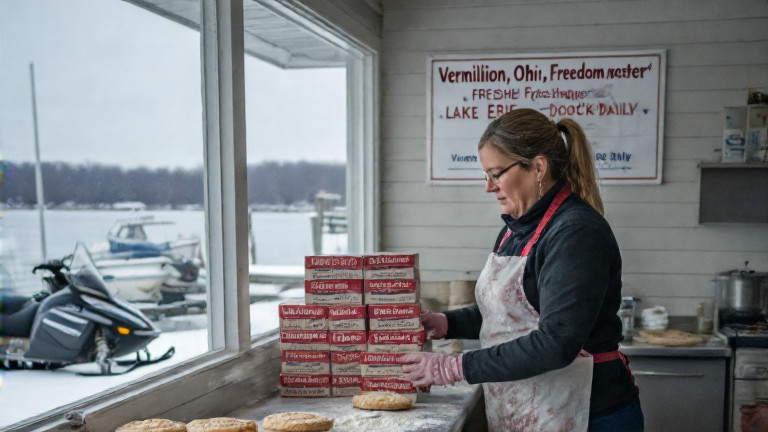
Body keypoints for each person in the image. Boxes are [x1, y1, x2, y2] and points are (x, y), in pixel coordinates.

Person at [401, 108, 643, 432]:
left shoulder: (576, 232)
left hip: (588, 414)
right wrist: (448, 323)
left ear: (538, 168)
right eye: (486, 175)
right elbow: (507, 314)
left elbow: (557, 341)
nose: (489, 187)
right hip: (534, 408)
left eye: (496, 173)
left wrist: (455, 367)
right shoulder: (516, 230)